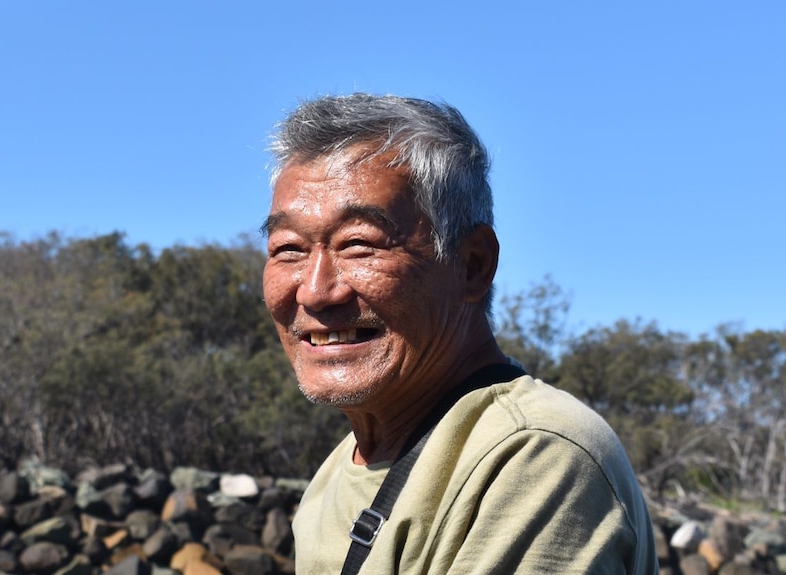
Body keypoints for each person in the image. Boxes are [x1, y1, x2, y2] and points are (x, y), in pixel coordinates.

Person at [261, 93, 659, 574]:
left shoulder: (532, 456)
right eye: (288, 248)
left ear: (472, 265)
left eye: (359, 244)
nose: (316, 291)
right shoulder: (336, 474)